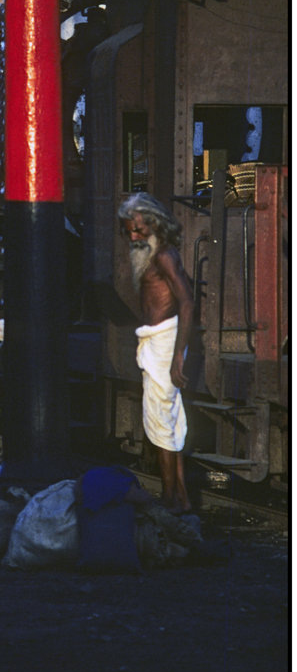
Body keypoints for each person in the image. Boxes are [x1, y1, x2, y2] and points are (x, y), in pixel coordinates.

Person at [118, 192, 194, 514]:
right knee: (171, 420)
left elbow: (188, 301)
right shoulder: (154, 254)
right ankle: (181, 499)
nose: (134, 236)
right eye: (128, 231)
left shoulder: (163, 256)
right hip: (157, 339)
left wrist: (177, 356)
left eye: (138, 229)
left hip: (165, 341)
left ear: (153, 223)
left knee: (162, 420)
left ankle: (169, 499)